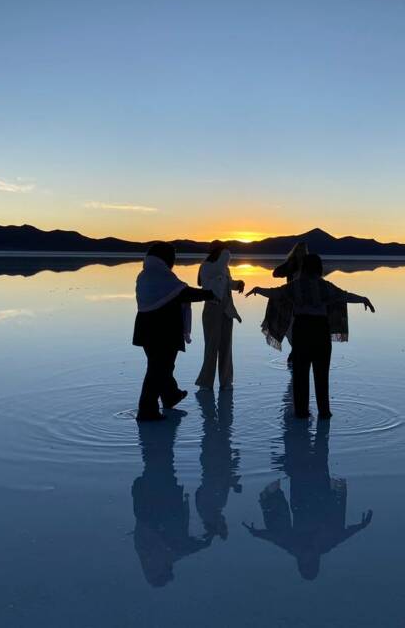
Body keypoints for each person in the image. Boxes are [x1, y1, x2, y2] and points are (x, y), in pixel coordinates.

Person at [243, 394, 373, 580]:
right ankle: (301, 416)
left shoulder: (294, 546)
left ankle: (297, 418)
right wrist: (360, 526)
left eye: (304, 560)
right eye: (309, 560)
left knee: (300, 451)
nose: (307, 555)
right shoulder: (325, 544)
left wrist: (257, 533)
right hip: (317, 489)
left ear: (301, 561)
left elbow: (276, 538)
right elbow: (344, 534)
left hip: (302, 490)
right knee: (318, 451)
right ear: (314, 560)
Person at [246, 254, 375, 418]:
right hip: (320, 331)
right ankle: (324, 412)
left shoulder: (295, 286)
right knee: (322, 376)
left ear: (304, 267)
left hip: (302, 331)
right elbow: (345, 295)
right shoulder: (325, 286)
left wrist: (258, 289)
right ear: (319, 268)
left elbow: (276, 294)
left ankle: (301, 412)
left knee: (300, 375)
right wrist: (363, 299)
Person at [132, 241, 214, 421]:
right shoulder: (160, 275)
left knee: (160, 366)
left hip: (147, 329)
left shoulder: (145, 274)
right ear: (164, 257)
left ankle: (170, 395)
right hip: (161, 330)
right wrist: (211, 294)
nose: (174, 261)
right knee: (158, 369)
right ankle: (147, 410)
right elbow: (184, 293)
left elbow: (176, 293)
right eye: (172, 257)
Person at [131, 415, 212, 587]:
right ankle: (161, 433)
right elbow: (180, 549)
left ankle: (160, 433)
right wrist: (206, 541)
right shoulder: (158, 553)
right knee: (161, 463)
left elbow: (180, 549)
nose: (170, 565)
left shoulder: (151, 552)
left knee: (160, 463)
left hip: (155, 502)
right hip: (158, 502)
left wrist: (206, 541)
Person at [195, 241, 245, 390]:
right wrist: (224, 256)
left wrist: (237, 284)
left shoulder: (223, 267)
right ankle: (205, 383)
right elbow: (209, 286)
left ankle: (226, 381)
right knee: (211, 347)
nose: (228, 255)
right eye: (225, 252)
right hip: (212, 309)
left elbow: (226, 283)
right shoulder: (207, 266)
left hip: (226, 310)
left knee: (226, 347)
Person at [195, 388, 242, 540]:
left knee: (214, 428)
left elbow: (221, 481)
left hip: (214, 462)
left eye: (223, 524)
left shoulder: (213, 506)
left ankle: (207, 400)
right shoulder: (216, 506)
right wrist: (232, 481)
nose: (224, 521)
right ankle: (208, 401)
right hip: (215, 462)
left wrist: (232, 479)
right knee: (216, 428)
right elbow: (223, 481)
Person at [271, 241, 308, 365]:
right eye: (299, 250)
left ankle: (297, 353)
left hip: (304, 304)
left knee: (300, 329)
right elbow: (275, 273)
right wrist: (289, 264)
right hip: (291, 302)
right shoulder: (291, 264)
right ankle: (295, 352)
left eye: (303, 250)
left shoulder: (308, 264)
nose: (302, 252)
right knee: (290, 329)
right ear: (295, 251)